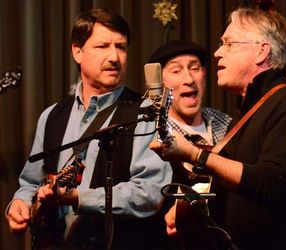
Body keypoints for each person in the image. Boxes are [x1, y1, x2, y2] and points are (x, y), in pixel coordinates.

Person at [150, 7, 286, 250]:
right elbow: (234, 187)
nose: (218, 53)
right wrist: (186, 206)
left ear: (262, 51)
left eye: (229, 43)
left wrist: (195, 154)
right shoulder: (249, 114)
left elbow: (272, 182)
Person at [5, 9, 172, 250]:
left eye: (121, 47)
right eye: (103, 46)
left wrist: (79, 198)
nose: (114, 56)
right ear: (77, 51)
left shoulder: (146, 113)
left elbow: (150, 193)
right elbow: (31, 182)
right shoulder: (51, 116)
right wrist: (19, 202)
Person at [148, 41, 232, 249]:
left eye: (194, 68)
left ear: (204, 74)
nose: (188, 79)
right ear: (160, 83)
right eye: (176, 70)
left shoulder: (228, 125)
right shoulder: (151, 133)